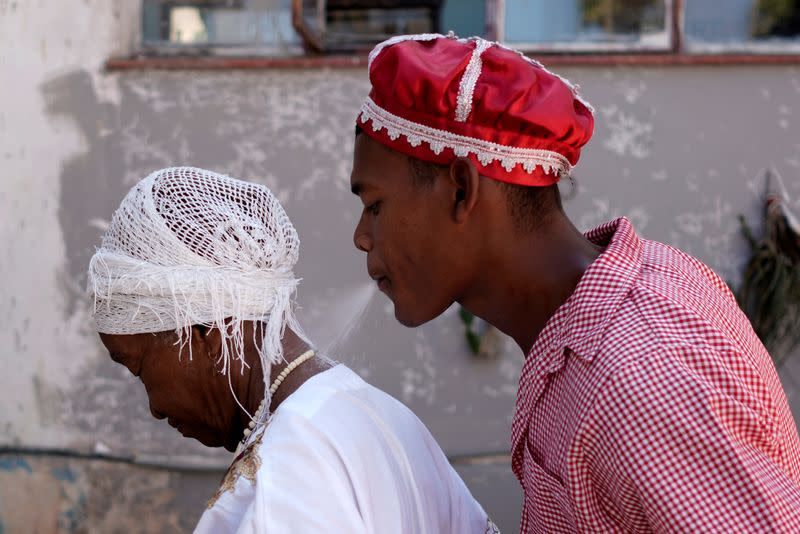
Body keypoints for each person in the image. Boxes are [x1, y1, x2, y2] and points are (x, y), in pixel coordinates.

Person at [349, 33, 800, 532]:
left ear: (461, 189)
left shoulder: (640, 375)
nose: (361, 237)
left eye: (374, 205)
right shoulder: (593, 329)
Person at [87, 166, 498, 534]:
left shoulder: (294, 463)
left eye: (138, 369)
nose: (154, 408)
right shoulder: (378, 413)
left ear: (208, 332)